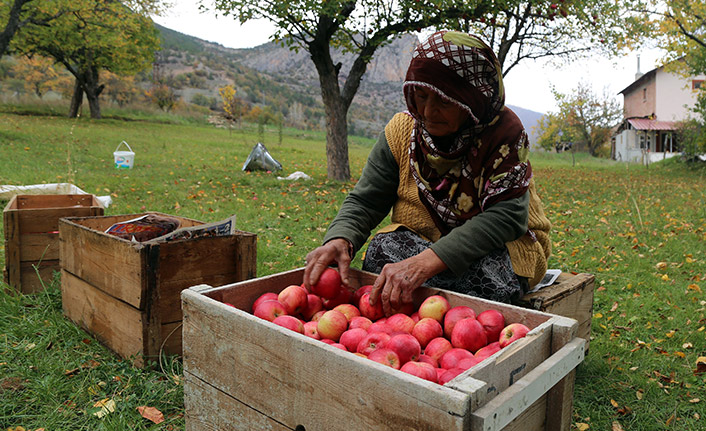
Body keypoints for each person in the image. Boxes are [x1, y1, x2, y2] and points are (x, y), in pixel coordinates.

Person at [303, 30, 551, 316]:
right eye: (420, 95)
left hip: (502, 245)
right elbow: (367, 200)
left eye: (445, 101)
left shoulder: (504, 135)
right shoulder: (402, 131)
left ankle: (435, 309)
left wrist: (425, 264)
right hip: (425, 242)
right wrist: (340, 238)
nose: (428, 111)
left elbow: (506, 217)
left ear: (472, 100)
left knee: (492, 282)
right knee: (382, 250)